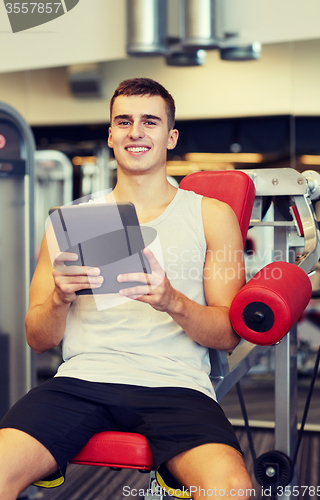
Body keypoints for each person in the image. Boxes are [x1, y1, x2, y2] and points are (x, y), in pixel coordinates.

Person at [0, 78, 253, 500]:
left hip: (175, 384)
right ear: (111, 135)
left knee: (232, 491)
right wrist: (60, 299)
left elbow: (227, 335)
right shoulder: (70, 218)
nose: (136, 131)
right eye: (124, 121)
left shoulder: (211, 216)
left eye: (150, 121)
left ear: (170, 137)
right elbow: (37, 338)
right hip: (83, 379)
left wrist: (172, 301)